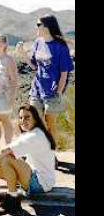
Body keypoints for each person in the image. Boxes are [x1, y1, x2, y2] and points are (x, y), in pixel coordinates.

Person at [0, 104, 56, 215]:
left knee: (7, 157)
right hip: (39, 178)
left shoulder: (34, 135)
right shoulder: (33, 133)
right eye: (20, 118)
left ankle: (13, 200)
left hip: (40, 183)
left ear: (35, 119)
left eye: (27, 117)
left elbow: (6, 151)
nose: (23, 121)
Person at [25, 15, 74, 145]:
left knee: (50, 123)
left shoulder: (60, 46)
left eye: (38, 25)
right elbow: (35, 66)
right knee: (34, 122)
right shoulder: (38, 42)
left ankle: (51, 154)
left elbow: (65, 72)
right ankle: (39, 153)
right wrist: (23, 55)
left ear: (46, 27)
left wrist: (59, 91)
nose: (36, 27)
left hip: (52, 91)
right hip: (37, 89)